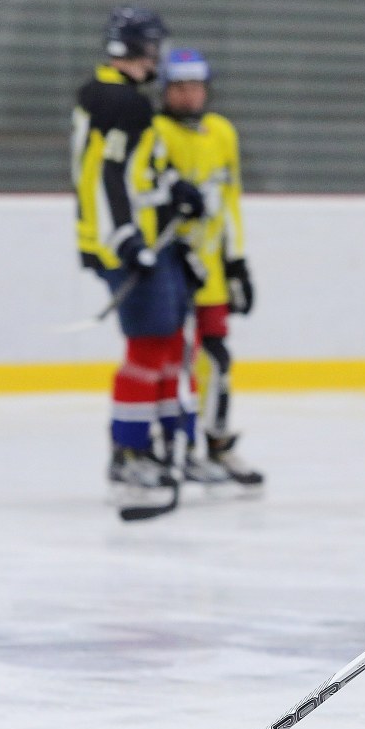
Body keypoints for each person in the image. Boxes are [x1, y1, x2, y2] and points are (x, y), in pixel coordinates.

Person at [72, 5, 209, 506]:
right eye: (154, 46)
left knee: (169, 344)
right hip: (132, 248)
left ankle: (151, 447)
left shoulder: (119, 97)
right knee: (150, 350)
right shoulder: (119, 102)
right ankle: (129, 452)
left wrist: (175, 188)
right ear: (140, 49)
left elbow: (139, 169)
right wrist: (124, 238)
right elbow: (101, 177)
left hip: (150, 241)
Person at [152, 47, 264, 489]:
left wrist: (236, 262)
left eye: (195, 86)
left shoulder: (221, 132)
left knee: (215, 358)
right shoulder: (155, 132)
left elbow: (230, 203)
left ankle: (216, 442)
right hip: (171, 268)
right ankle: (172, 446)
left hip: (211, 275)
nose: (188, 95)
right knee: (171, 361)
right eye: (179, 87)